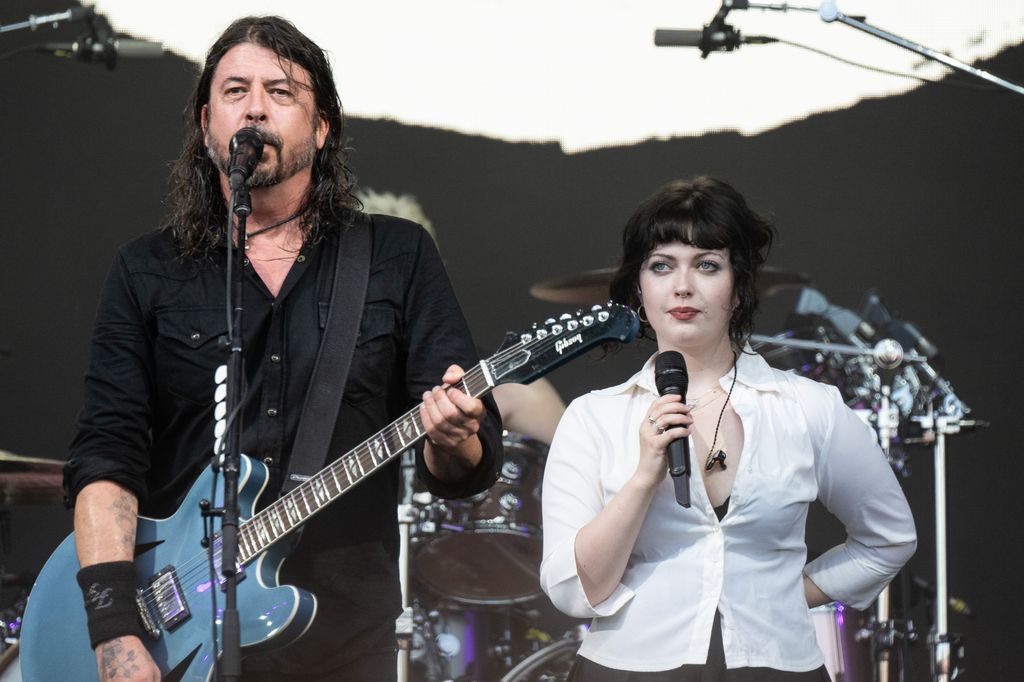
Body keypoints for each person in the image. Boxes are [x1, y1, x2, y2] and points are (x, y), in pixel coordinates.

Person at [62, 15, 503, 681]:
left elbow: (467, 465)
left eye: (282, 91)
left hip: (346, 637)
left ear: (322, 128)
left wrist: (452, 437)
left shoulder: (395, 255)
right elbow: (106, 456)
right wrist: (114, 632)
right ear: (206, 120)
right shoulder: (146, 271)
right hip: (178, 636)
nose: (256, 107)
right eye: (235, 90)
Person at [539, 176, 916, 680]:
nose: (683, 286)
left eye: (708, 265)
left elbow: (888, 538)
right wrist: (643, 476)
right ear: (639, 287)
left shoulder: (810, 407)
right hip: (629, 665)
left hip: (776, 663)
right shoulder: (593, 418)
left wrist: (782, 592)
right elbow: (575, 590)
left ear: (739, 288)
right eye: (661, 266)